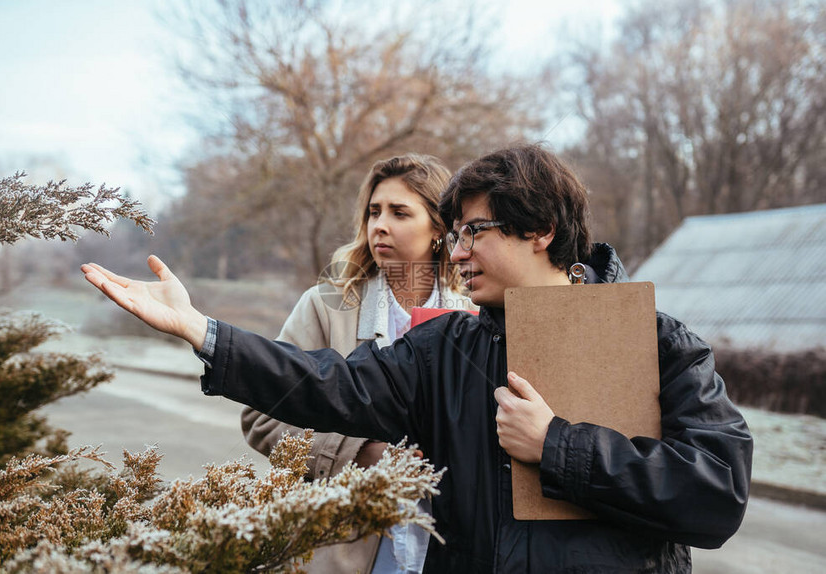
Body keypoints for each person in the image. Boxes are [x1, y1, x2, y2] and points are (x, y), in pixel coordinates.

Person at [81, 143, 753, 573]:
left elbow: (715, 497)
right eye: (453, 234)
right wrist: (203, 331)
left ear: (542, 230)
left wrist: (556, 445)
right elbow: (327, 384)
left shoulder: (655, 340)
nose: (456, 252)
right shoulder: (448, 350)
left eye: (475, 233)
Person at [240, 153, 475, 574]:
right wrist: (362, 453)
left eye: (400, 212)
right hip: (344, 549)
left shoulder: (476, 315)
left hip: (449, 547)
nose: (379, 225)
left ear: (439, 228)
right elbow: (262, 417)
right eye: (374, 211)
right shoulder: (328, 307)